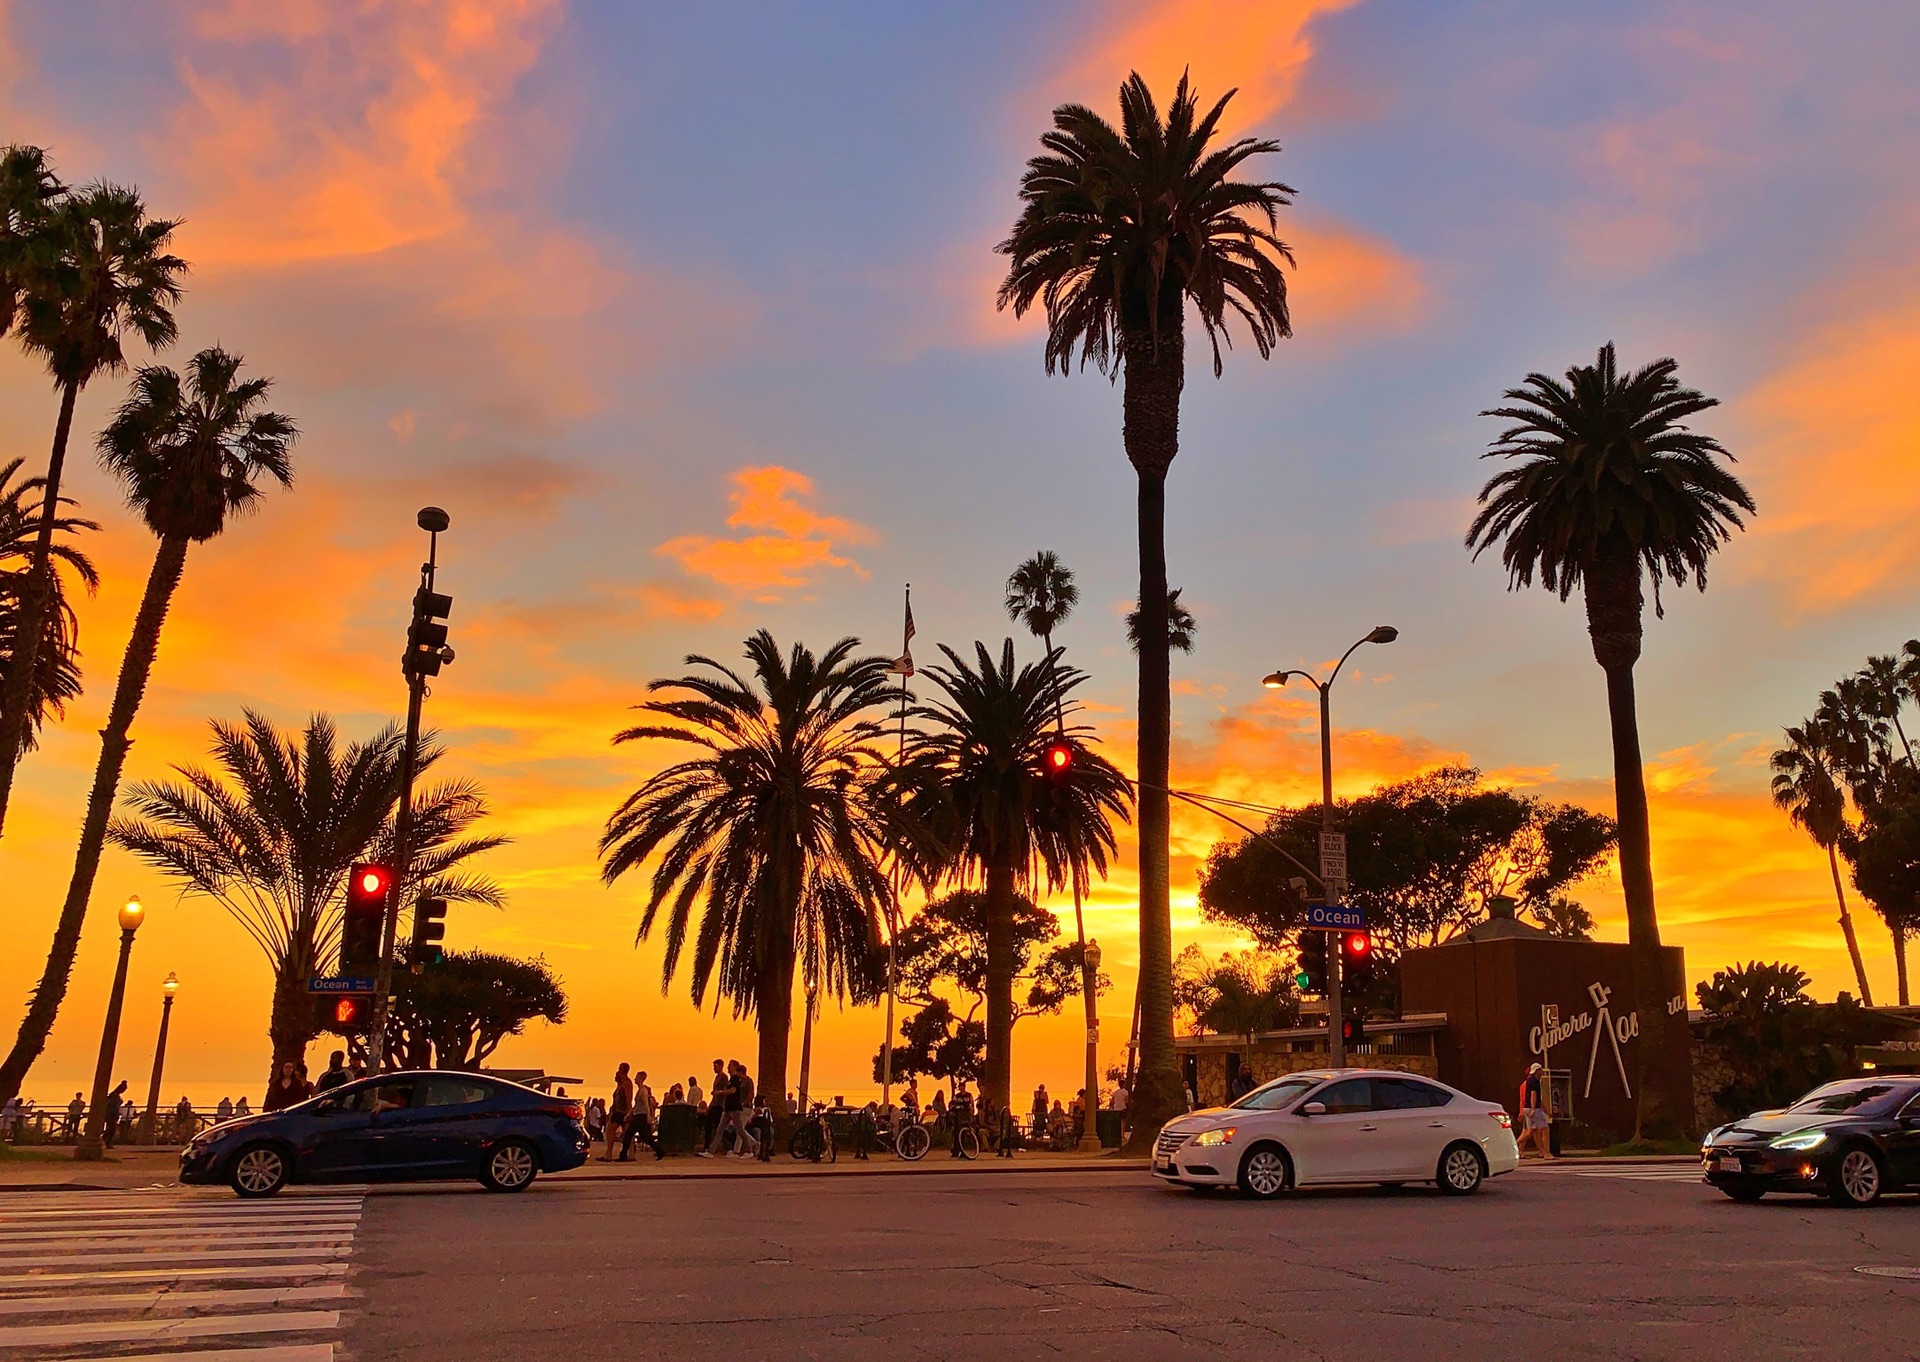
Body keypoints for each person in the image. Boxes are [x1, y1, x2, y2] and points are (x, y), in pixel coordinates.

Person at [621, 1070, 661, 1160]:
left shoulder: (643, 1090)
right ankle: (660, 1151)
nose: (635, 1078)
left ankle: (623, 1155)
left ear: (641, 1079)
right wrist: (629, 1114)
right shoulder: (640, 1090)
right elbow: (636, 1105)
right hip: (638, 1115)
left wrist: (648, 1116)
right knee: (646, 1137)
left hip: (641, 1117)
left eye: (637, 1077)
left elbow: (646, 1104)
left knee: (628, 1134)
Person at [1519, 1063, 1553, 1159]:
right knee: (1545, 1129)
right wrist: (1534, 1109)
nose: (1542, 1072)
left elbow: (1537, 1098)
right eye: (1541, 1070)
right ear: (1537, 1071)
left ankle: (1515, 1145)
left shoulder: (1528, 1081)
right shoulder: (1534, 1081)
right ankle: (1547, 1153)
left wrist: (1545, 1110)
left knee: (1530, 1131)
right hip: (1533, 1109)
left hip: (1527, 1108)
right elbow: (1533, 1096)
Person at [699, 1059, 727, 1154]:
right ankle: (708, 1147)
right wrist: (709, 1107)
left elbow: (724, 1091)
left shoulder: (723, 1077)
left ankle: (709, 1147)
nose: (714, 1068)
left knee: (715, 1126)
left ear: (720, 1066)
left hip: (719, 1106)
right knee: (714, 1126)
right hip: (715, 1105)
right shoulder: (717, 1078)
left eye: (715, 1066)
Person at [607, 1063, 634, 1161]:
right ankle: (630, 1154)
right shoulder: (621, 1083)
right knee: (627, 1133)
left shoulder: (626, 1082)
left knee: (610, 1131)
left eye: (619, 1069)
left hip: (622, 1112)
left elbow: (628, 1098)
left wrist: (629, 1112)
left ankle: (609, 1154)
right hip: (618, 1111)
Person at [949, 1080, 974, 1157]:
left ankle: (962, 1151)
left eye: (963, 1086)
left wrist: (971, 1114)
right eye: (960, 1087)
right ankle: (956, 1151)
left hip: (965, 1116)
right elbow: (952, 1105)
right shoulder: (956, 1096)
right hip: (958, 1117)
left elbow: (971, 1105)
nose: (961, 1088)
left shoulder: (969, 1095)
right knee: (956, 1134)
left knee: (963, 1134)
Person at [102, 1080, 129, 1147]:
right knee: (111, 1129)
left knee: (111, 1129)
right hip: (111, 1114)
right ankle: (107, 1141)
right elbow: (112, 1106)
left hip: (113, 1114)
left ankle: (107, 1141)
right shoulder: (114, 1096)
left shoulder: (115, 1096)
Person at [749, 1095, 775, 1162]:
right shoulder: (754, 1110)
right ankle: (759, 1150)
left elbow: (770, 1120)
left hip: (765, 1125)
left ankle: (769, 1149)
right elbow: (750, 1120)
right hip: (756, 1126)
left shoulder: (767, 1109)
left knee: (771, 1131)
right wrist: (756, 1114)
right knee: (757, 1132)